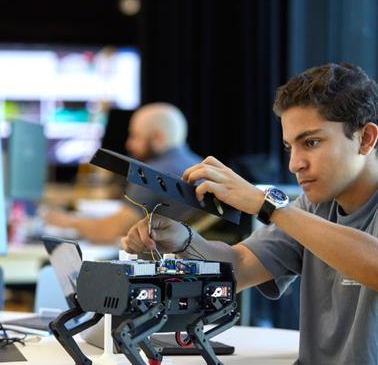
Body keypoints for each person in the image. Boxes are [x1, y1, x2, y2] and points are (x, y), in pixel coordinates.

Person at [121, 63, 378, 364]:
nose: (295, 164)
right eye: (289, 147)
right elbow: (239, 267)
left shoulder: (296, 213)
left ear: (366, 138)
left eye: (311, 142)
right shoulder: (313, 207)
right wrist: (184, 240)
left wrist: (265, 205)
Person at [46, 102, 202, 244]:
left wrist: (65, 221)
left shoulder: (153, 174)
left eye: (135, 136)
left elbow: (109, 231)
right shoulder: (196, 164)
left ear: (158, 138)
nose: (129, 144)